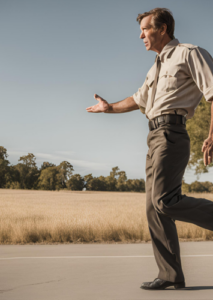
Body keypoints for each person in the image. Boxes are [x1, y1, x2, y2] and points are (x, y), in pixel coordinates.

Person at [86, 7, 213, 290]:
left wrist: (212, 135)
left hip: (172, 133)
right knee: (153, 208)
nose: (140, 35)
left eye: (145, 29)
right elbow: (137, 99)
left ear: (163, 29)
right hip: (154, 136)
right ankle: (170, 274)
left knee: (165, 201)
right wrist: (109, 108)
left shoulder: (189, 53)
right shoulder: (155, 67)